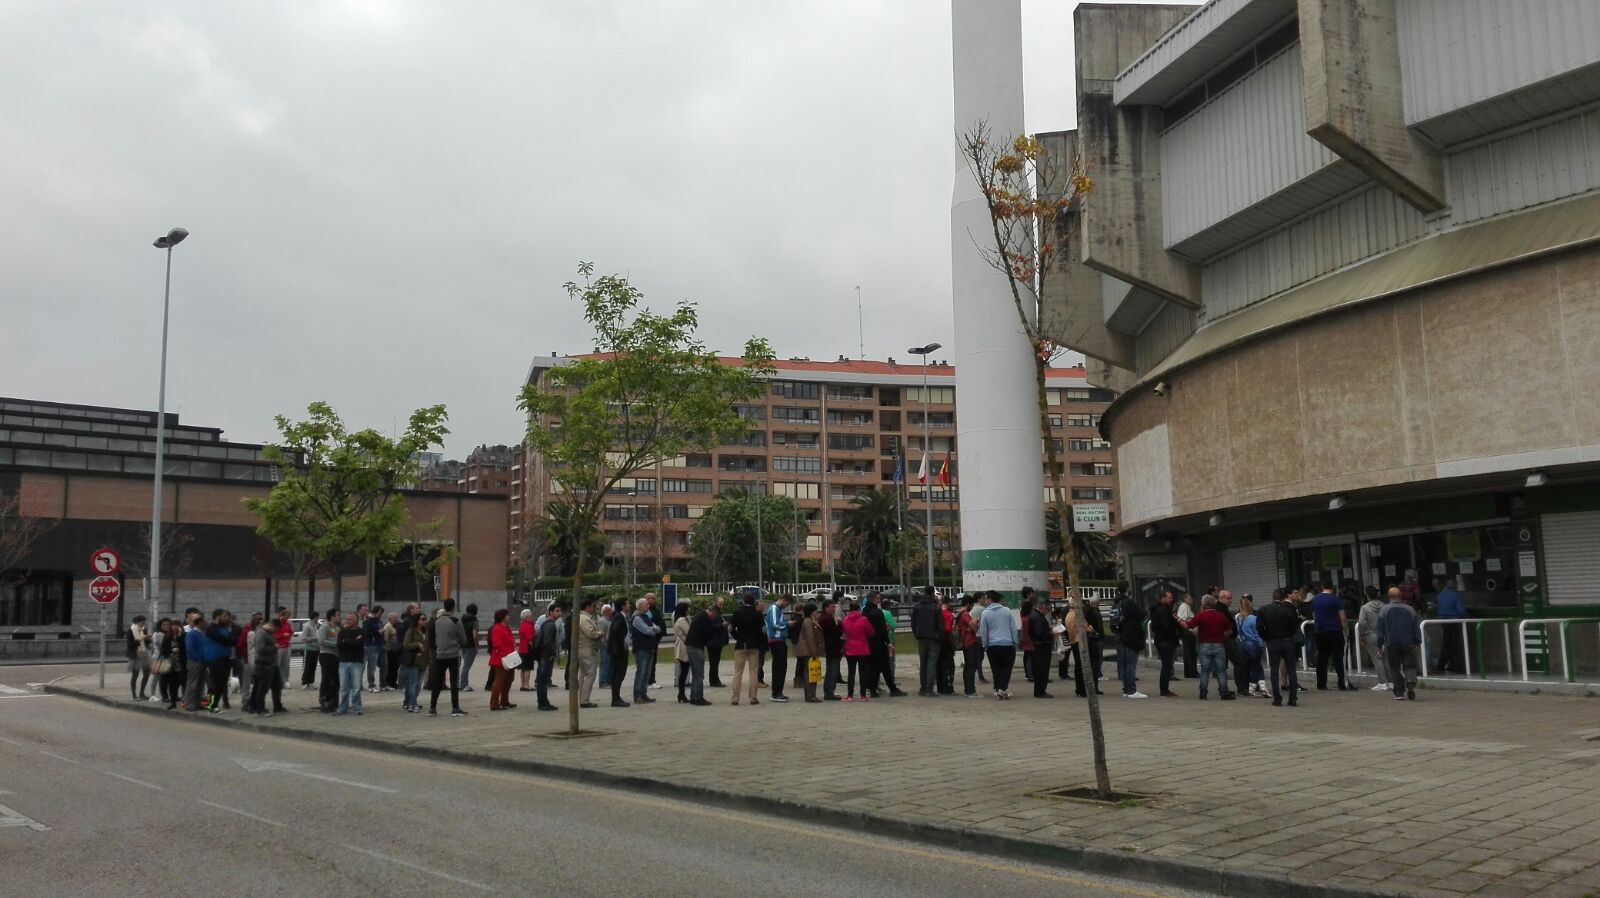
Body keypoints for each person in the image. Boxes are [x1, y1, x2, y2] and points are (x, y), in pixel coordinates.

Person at [1256, 589, 1301, 707]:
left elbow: (1259, 628)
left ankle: (1277, 698)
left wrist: (1267, 637)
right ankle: (1293, 699)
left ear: (1272, 597)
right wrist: (1288, 635)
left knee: (1274, 670)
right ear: (1283, 598)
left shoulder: (1264, 610)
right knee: (1291, 670)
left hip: (1272, 642)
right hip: (1287, 641)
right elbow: (1294, 626)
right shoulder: (1288, 610)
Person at [1185, 596, 1235, 700]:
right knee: (1221, 671)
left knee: (1205, 671)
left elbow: (1188, 626)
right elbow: (1230, 630)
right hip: (1219, 645)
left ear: (1204, 604)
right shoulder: (1221, 616)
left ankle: (1203, 693)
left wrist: (1178, 620)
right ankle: (1224, 692)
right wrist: (1222, 637)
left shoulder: (1201, 616)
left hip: (1204, 645)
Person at [1377, 587, 1422, 701]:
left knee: (1394, 667)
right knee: (1410, 664)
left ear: (1389, 596)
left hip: (1391, 643)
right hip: (1408, 643)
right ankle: (1410, 680)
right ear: (1400, 595)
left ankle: (1399, 692)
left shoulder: (1384, 610)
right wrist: (1417, 641)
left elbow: (1380, 629)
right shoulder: (1410, 609)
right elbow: (1416, 627)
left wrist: (1380, 643)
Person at [427, 598, 469, 717]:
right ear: (454, 607)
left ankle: (432, 707)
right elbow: (464, 639)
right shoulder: (456, 621)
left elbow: (434, 638)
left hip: (440, 654)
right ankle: (455, 707)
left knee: (437, 681)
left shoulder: (437, 621)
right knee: (454, 682)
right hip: (453, 654)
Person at [1311, 582, 1354, 691]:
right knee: (1339, 658)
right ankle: (1342, 683)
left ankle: (1321, 683)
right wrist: (1346, 631)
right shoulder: (1336, 600)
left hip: (1320, 632)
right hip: (1335, 631)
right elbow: (1343, 618)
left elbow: (1314, 615)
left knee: (1322, 657)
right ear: (1333, 588)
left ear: (1322, 587)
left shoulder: (1315, 599)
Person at [978, 590, 1017, 700]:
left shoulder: (985, 613)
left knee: (996, 668)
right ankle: (1001, 690)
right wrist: (1015, 641)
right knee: (1007, 668)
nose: (985, 600)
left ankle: (998, 689)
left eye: (986, 598)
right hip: (1007, 644)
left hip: (992, 645)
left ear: (990, 599)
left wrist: (985, 644)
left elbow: (983, 631)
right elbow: (1013, 628)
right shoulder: (1007, 611)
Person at [727, 593, 763, 706]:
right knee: (753, 672)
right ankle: (753, 697)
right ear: (753, 602)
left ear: (743, 601)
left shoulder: (737, 613)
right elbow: (763, 631)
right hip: (754, 644)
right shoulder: (758, 614)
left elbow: (730, 628)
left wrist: (737, 637)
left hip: (741, 644)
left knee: (738, 672)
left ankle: (735, 698)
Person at [1114, 588, 1147, 699]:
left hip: (1123, 637)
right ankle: (1132, 690)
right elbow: (1141, 614)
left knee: (1124, 665)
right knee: (1131, 665)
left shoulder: (1117, 605)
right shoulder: (1129, 604)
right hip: (1132, 638)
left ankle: (1126, 689)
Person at [203, 610, 238, 713]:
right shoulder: (211, 628)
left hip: (225, 658)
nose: (227, 618)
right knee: (216, 683)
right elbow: (223, 639)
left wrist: (232, 639)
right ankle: (212, 706)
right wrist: (231, 640)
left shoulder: (224, 628)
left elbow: (232, 639)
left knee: (222, 683)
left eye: (228, 616)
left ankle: (214, 705)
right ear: (218, 617)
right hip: (214, 659)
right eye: (225, 616)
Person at [1357, 586, 1391, 691]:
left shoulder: (1365, 608)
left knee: (1377, 659)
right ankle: (1391, 682)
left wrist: (1361, 635)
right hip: (1384, 635)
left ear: (1367, 596)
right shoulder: (1385, 606)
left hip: (1370, 635)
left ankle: (1382, 682)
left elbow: (1362, 623)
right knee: (1386, 659)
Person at [684, 602, 717, 706]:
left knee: (695, 673)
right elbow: (708, 633)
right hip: (696, 647)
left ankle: (693, 696)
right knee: (699, 673)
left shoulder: (699, 615)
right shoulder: (705, 618)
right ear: (713, 612)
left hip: (691, 646)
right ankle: (698, 697)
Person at [1148, 591, 1181, 698]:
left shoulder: (1157, 609)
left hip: (1160, 639)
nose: (1172, 600)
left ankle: (1164, 689)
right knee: (1167, 666)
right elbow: (1167, 626)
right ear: (1163, 598)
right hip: (1166, 641)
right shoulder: (1164, 610)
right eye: (1169, 598)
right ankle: (1164, 690)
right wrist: (1174, 636)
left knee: (1166, 665)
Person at [910, 586, 942, 697]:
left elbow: (913, 622)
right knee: (931, 664)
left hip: (921, 637)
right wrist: (941, 636)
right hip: (934, 637)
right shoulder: (936, 607)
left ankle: (923, 688)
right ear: (933, 593)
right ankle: (929, 688)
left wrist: (916, 634)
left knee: (923, 663)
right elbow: (940, 624)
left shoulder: (917, 606)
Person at [533, 603, 564, 712]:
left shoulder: (548, 624)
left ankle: (543, 701)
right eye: (556, 611)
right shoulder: (550, 625)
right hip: (546, 656)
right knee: (543, 680)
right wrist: (552, 653)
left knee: (543, 680)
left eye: (560, 611)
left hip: (544, 655)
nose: (559, 613)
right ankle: (542, 703)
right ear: (550, 612)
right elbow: (547, 641)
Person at [631, 596, 661, 704]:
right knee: (641, 672)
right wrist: (652, 629)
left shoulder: (646, 617)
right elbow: (649, 631)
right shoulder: (637, 618)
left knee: (647, 673)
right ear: (640, 606)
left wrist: (652, 629)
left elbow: (658, 629)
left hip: (650, 648)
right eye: (646, 604)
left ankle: (644, 694)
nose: (648, 606)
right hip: (641, 648)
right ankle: (638, 695)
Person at [841, 602, 874, 702]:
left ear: (850, 609)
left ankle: (850, 695)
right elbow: (871, 632)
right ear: (859, 609)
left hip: (850, 649)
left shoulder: (845, 620)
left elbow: (843, 633)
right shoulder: (863, 620)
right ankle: (863, 695)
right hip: (862, 649)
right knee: (863, 672)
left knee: (851, 672)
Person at [248, 618, 281, 716]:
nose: (276, 632)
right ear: (272, 625)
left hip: (272, 663)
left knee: (276, 685)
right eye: (276, 629)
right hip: (264, 664)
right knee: (262, 688)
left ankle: (277, 706)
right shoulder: (261, 633)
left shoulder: (268, 633)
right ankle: (260, 709)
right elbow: (260, 649)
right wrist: (274, 647)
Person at [574, 596, 602, 709]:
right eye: (592, 606)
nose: (594, 608)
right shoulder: (584, 618)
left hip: (583, 649)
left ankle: (582, 698)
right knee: (590, 674)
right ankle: (584, 700)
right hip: (587, 649)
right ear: (587, 607)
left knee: (583, 674)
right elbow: (590, 633)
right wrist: (600, 633)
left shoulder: (582, 617)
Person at [1433, 576, 1466, 673]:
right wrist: (1465, 616)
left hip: (1443, 621)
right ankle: (1457, 667)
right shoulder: (1455, 595)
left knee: (1446, 644)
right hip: (1454, 621)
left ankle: (1441, 666)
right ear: (1453, 585)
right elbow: (1461, 611)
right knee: (1456, 644)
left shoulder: (1440, 595)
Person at [1236, 595, 1267, 697]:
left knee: (1251, 666)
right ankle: (1259, 686)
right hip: (1255, 644)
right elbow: (1258, 632)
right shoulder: (1254, 618)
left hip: (1245, 645)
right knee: (1257, 666)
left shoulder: (1238, 618)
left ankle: (1254, 687)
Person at [487, 608, 517, 711]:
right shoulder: (497, 628)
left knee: (509, 679)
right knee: (499, 681)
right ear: (502, 617)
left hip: (510, 658)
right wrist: (505, 655)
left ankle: (504, 700)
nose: (509, 617)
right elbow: (496, 644)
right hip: (501, 659)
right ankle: (494, 703)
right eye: (507, 615)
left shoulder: (506, 628)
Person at [400, 607, 430, 712]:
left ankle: (410, 703)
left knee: (418, 685)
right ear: (417, 621)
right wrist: (417, 644)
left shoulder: (426, 632)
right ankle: (413, 704)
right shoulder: (411, 631)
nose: (425, 621)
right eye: (423, 619)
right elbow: (405, 645)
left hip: (423, 661)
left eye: (425, 619)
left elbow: (428, 646)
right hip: (413, 660)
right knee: (413, 683)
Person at [335, 612, 365, 715]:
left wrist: (346, 641)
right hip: (343, 661)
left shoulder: (361, 631)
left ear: (355, 621)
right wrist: (350, 641)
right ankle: (342, 708)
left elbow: (358, 643)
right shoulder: (342, 632)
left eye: (349, 619)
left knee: (356, 687)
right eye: (346, 619)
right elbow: (339, 645)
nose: (347, 621)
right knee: (344, 687)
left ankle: (357, 708)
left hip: (356, 661)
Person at [764, 594, 792, 703]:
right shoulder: (774, 609)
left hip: (779, 640)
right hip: (776, 640)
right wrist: (787, 624)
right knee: (779, 667)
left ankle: (778, 691)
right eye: (787, 604)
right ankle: (776, 693)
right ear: (784, 600)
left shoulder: (778, 609)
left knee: (781, 667)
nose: (786, 606)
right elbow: (775, 624)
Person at [1024, 597, 1054, 698]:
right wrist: (1052, 633)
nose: (1048, 611)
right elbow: (1040, 633)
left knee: (1041, 669)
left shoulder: (1036, 615)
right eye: (1048, 609)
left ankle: (1040, 690)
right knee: (1042, 669)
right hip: (1041, 646)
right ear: (1043, 607)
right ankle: (1040, 691)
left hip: (1040, 645)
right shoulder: (1037, 617)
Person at [794, 602, 823, 703]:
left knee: (812, 673)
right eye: (815, 611)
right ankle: (810, 695)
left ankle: (812, 694)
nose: (817, 613)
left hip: (809, 650)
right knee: (809, 674)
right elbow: (810, 638)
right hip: (808, 651)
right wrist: (814, 652)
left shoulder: (811, 620)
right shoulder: (808, 622)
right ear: (811, 612)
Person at [955, 595, 982, 698]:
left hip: (965, 642)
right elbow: (974, 628)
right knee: (971, 667)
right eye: (972, 605)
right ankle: (970, 690)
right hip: (970, 642)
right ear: (968, 604)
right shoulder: (965, 614)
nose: (972, 607)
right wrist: (976, 622)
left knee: (968, 667)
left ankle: (968, 689)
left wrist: (969, 628)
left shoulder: (959, 613)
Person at [606, 600, 632, 708]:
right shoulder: (619, 617)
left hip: (620, 648)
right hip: (618, 650)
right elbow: (616, 631)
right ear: (622, 606)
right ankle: (615, 699)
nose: (629, 605)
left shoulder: (622, 616)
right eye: (627, 604)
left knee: (620, 673)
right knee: (618, 674)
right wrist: (622, 643)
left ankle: (617, 697)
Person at [818, 597, 843, 701]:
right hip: (832, 647)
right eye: (832, 607)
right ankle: (829, 692)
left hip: (831, 647)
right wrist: (840, 624)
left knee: (831, 670)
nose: (834, 609)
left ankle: (829, 691)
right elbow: (837, 632)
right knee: (833, 670)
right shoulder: (827, 619)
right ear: (826, 607)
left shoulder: (825, 617)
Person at [317, 608, 341, 713]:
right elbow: (321, 641)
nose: (339, 617)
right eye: (338, 615)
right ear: (332, 616)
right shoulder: (325, 627)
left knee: (336, 681)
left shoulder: (337, 628)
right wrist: (336, 644)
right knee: (326, 679)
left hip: (335, 656)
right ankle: (324, 700)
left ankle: (326, 698)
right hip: (326, 655)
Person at [126, 615, 152, 701]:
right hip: (135, 654)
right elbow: (130, 645)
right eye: (142, 623)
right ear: (137, 622)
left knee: (147, 673)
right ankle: (134, 695)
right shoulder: (131, 631)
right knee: (135, 674)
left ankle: (142, 693)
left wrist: (148, 639)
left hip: (144, 653)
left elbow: (146, 642)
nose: (143, 624)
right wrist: (141, 639)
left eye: (144, 623)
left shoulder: (143, 629)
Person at [361, 606, 385, 693]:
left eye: (381, 613)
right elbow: (366, 633)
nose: (380, 615)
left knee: (377, 666)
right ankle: (371, 685)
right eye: (379, 613)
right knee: (371, 666)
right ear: (375, 612)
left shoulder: (378, 621)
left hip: (379, 644)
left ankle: (375, 684)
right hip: (371, 645)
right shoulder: (368, 621)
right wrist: (377, 632)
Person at [1175, 593, 1198, 679]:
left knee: (1189, 652)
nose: (1192, 600)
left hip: (1188, 632)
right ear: (1185, 599)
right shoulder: (1184, 607)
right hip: (1188, 632)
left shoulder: (1187, 607)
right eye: (1190, 599)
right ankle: (1192, 672)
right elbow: (1183, 620)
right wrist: (1191, 630)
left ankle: (1189, 672)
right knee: (1190, 652)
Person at [459, 603, 479, 693]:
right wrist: (477, 645)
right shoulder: (475, 621)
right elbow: (474, 635)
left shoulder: (462, 620)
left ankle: (463, 683)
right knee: (466, 666)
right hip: (471, 645)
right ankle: (463, 685)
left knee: (465, 665)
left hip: (463, 644)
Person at [273, 607, 294, 695]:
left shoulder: (287, 623)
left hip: (286, 645)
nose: (287, 618)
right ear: (282, 615)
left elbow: (291, 632)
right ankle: (277, 680)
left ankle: (285, 680)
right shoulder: (277, 623)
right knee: (278, 663)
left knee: (286, 664)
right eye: (286, 616)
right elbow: (274, 633)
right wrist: (282, 635)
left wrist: (289, 635)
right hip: (279, 646)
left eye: (288, 617)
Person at [299, 611, 322, 690]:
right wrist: (315, 639)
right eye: (317, 617)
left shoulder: (315, 626)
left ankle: (311, 682)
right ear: (315, 617)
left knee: (313, 666)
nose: (318, 619)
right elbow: (304, 638)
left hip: (315, 648)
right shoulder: (307, 626)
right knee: (307, 666)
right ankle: (305, 682)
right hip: (309, 648)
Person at [516, 609, 537, 692]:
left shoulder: (523, 625)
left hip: (523, 648)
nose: (532, 617)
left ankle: (523, 684)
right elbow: (530, 637)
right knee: (527, 668)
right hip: (527, 648)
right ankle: (526, 685)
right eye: (531, 615)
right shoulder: (527, 626)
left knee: (523, 668)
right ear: (527, 617)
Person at [1019, 588, 1036, 683]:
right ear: (1028, 594)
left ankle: (1028, 674)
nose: (1034, 595)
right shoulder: (1028, 607)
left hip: (1025, 633)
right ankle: (1030, 674)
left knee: (1028, 655)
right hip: (1030, 635)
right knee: (1030, 656)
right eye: (1032, 593)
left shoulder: (1024, 615)